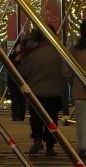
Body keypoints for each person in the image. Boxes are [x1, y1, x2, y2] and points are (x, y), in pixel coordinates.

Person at [20, 27, 65, 157]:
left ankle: (37, 140)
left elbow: (24, 70)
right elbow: (65, 71)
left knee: (36, 119)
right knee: (52, 119)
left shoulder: (33, 54)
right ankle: (50, 146)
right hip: (55, 92)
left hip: (36, 92)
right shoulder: (58, 52)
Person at [63, 19, 86, 158]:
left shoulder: (75, 49)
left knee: (82, 120)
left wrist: (71, 81)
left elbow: (67, 68)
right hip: (79, 88)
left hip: (80, 90)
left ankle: (83, 146)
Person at [7, 39, 26, 121]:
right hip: (13, 81)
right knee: (14, 99)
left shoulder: (25, 56)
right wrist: (15, 61)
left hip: (22, 81)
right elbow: (9, 68)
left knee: (22, 99)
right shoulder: (11, 57)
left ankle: (21, 115)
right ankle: (15, 115)